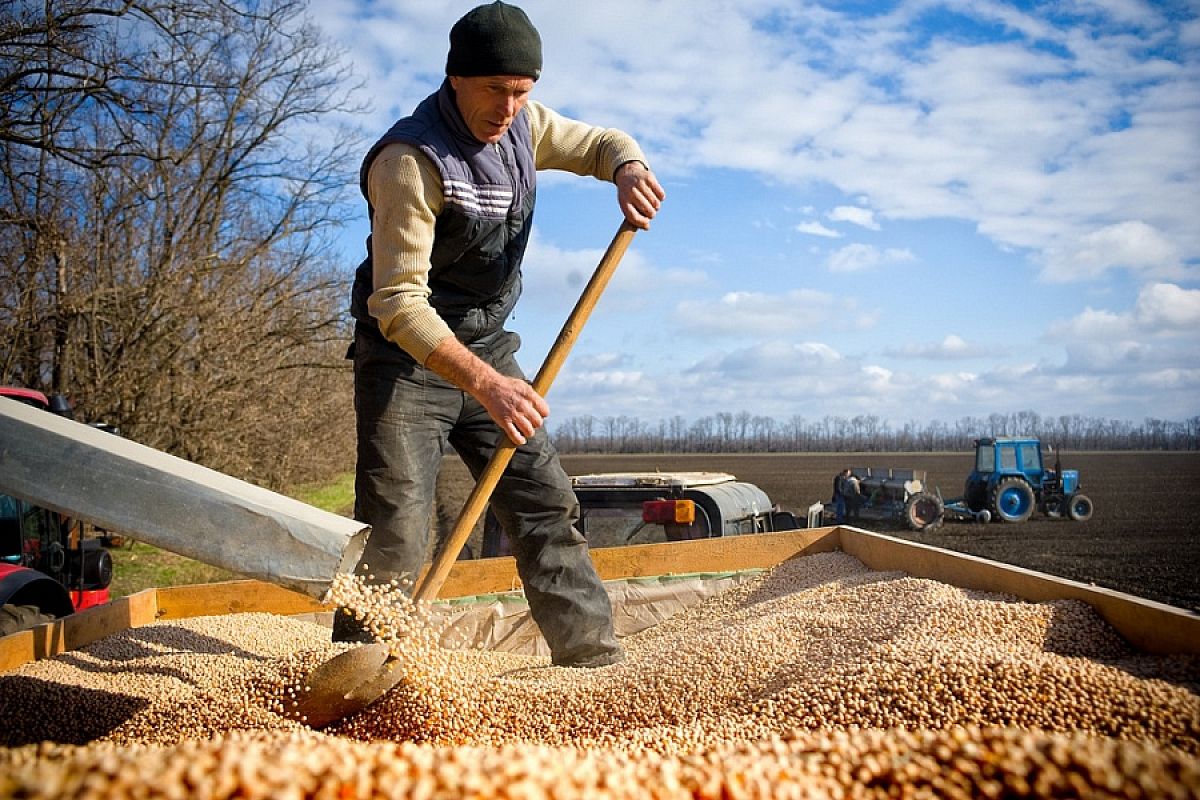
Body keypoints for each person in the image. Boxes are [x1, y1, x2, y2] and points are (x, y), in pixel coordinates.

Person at [340, 1, 665, 669]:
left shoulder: (525, 126)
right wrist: (486, 385)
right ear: (456, 78)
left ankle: (591, 659)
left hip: (488, 348)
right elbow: (398, 304)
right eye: (496, 90)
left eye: (522, 92)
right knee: (395, 534)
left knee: (545, 500)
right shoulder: (409, 160)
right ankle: (358, 680)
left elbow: (604, 144)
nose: (509, 107)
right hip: (405, 361)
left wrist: (628, 167)